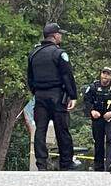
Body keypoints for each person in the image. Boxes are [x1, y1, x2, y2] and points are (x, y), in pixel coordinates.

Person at [27, 22, 78, 171]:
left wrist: (36, 92)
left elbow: (30, 78)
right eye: (59, 33)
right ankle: (66, 162)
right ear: (55, 36)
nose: (61, 35)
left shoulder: (34, 54)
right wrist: (72, 95)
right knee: (62, 129)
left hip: (40, 96)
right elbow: (67, 76)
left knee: (40, 130)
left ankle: (41, 164)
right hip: (57, 96)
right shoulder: (59, 53)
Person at [83, 67, 111, 173]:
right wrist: (92, 111)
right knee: (98, 142)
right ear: (100, 74)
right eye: (104, 73)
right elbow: (86, 100)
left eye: (108, 74)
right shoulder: (93, 87)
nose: (105, 76)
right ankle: (98, 167)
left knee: (110, 139)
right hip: (97, 118)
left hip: (110, 118)